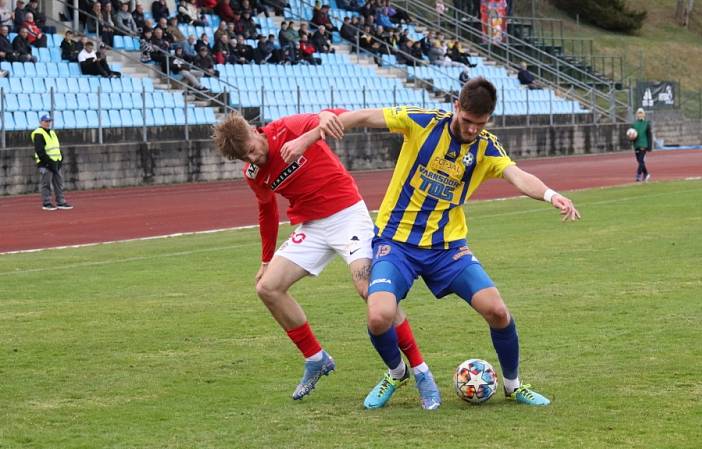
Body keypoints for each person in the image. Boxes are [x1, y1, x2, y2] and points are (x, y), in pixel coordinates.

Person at [279, 77, 581, 410]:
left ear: (488, 120)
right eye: (466, 121)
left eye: (478, 125)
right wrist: (309, 137)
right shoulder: (421, 122)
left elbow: (518, 175)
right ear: (456, 106)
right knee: (379, 316)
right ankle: (396, 372)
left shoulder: (486, 146)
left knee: (497, 311)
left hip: (447, 249)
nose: (470, 130)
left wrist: (551, 195)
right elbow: (361, 117)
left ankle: (513, 385)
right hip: (396, 244)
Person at [211, 112, 429, 401]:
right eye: (244, 158)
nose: (253, 160)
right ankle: (317, 359)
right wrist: (265, 260)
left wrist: (306, 138)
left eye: (251, 150)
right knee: (268, 288)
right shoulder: (253, 174)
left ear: (254, 130)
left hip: (348, 215)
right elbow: (267, 211)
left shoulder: (286, 128)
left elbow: (332, 116)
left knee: (370, 291)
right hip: (312, 227)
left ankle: (419, 369)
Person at [32, 115, 72, 211]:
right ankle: (47, 203)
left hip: (56, 162)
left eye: (49, 121)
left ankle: (61, 202)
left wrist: (60, 158)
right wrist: (48, 162)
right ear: (41, 122)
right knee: (46, 184)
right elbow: (40, 151)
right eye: (46, 121)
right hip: (45, 163)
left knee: (59, 183)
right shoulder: (38, 133)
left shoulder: (52, 132)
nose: (48, 123)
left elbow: (56, 147)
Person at [631, 107, 653, 182]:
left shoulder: (646, 124)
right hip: (636, 145)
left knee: (641, 161)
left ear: (644, 115)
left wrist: (649, 147)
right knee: (640, 161)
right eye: (639, 113)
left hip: (643, 145)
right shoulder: (634, 124)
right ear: (636, 114)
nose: (640, 115)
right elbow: (631, 135)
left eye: (641, 113)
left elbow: (649, 136)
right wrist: (631, 138)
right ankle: (646, 173)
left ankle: (638, 175)